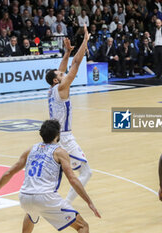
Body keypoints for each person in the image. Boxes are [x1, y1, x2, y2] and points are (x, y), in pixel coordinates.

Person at [0, 120, 101, 233]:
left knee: (32, 213)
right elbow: (72, 179)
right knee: (83, 226)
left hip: (24, 197)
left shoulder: (30, 149)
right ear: (57, 135)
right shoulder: (60, 152)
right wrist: (89, 201)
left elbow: (9, 173)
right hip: (45, 197)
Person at [45, 24, 92, 204]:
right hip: (64, 137)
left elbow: (63, 68)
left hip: (57, 136)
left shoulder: (52, 88)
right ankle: (66, 203)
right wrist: (85, 41)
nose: (63, 73)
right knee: (87, 172)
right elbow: (76, 63)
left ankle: (51, 196)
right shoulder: (62, 87)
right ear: (57, 80)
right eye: (60, 74)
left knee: (63, 171)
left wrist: (66, 52)